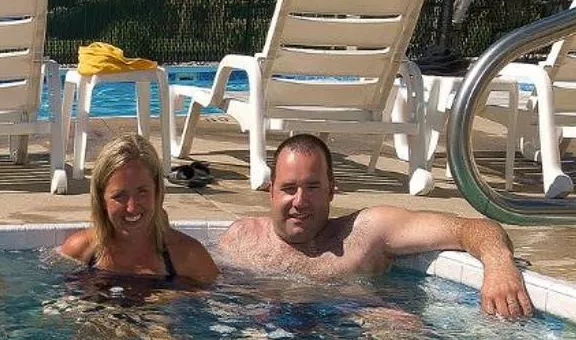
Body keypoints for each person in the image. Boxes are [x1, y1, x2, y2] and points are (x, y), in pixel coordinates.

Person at [215, 133, 535, 319]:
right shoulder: (243, 239)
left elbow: (473, 228)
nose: (300, 201)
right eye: (288, 188)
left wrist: (499, 263)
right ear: (270, 191)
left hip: (350, 331)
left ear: (331, 189)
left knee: (401, 326)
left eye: (312, 187)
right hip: (269, 332)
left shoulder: (367, 231)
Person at [57, 134, 219, 293]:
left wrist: (176, 297)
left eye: (142, 192)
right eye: (119, 196)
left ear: (157, 192)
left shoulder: (189, 257)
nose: (132, 208)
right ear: (101, 199)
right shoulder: (80, 251)